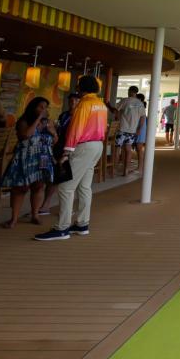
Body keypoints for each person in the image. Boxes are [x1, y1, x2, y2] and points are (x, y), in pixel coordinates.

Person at [35, 75, 107, 241]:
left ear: (81, 88)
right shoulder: (100, 104)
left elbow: (76, 129)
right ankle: (82, 224)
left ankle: (62, 228)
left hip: (83, 147)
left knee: (66, 187)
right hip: (97, 146)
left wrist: (66, 153)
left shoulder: (84, 104)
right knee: (84, 187)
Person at [1, 96, 56, 228]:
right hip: (26, 157)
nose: (43, 110)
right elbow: (26, 135)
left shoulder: (48, 122)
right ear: (33, 108)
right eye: (40, 107)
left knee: (38, 186)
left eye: (45, 107)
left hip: (42, 157)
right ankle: (14, 218)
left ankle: (35, 214)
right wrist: (38, 120)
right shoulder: (23, 121)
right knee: (20, 188)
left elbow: (54, 141)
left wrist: (53, 133)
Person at [39, 92, 80, 216]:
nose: (72, 102)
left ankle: (67, 209)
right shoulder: (64, 115)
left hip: (71, 149)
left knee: (66, 181)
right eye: (71, 100)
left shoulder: (80, 117)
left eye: (76, 100)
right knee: (55, 177)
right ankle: (46, 205)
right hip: (59, 147)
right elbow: (60, 131)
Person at [115, 85, 145, 176]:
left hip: (122, 129)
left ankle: (114, 169)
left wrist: (108, 105)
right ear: (136, 92)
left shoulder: (125, 100)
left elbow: (115, 110)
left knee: (117, 148)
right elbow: (143, 117)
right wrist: (139, 129)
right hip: (132, 130)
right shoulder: (140, 104)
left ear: (130, 91)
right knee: (128, 149)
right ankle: (126, 170)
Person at [134, 93, 147, 172]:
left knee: (139, 149)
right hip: (139, 129)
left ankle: (140, 167)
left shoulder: (140, 106)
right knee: (138, 149)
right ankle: (140, 166)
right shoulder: (140, 106)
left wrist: (138, 129)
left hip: (140, 129)